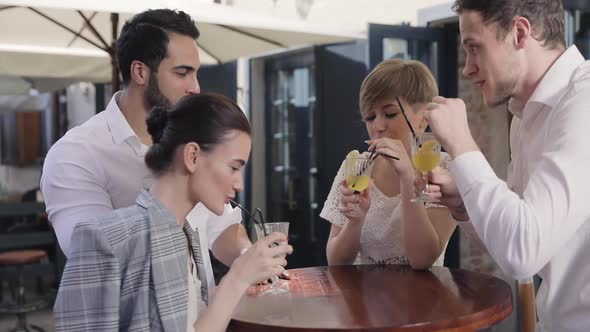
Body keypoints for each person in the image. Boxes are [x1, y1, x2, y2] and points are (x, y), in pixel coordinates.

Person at [40, 9, 252, 292]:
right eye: (182, 73)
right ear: (140, 71)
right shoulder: (75, 155)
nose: (196, 87)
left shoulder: (193, 143)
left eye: (196, 73)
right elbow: (93, 259)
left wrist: (249, 257)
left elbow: (221, 229)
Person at [53, 93, 293, 331]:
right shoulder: (102, 238)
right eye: (233, 167)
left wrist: (238, 281)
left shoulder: (189, 236)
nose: (239, 184)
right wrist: (236, 280)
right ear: (192, 156)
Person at [421, 0, 590, 330]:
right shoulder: (525, 116)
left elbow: (522, 251)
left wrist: (461, 143)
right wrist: (464, 206)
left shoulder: (583, 103)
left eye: (475, 48)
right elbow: (513, 243)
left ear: (520, 32)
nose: (467, 68)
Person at [320, 59, 456, 269]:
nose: (378, 126)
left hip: (423, 299)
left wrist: (408, 176)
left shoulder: (442, 169)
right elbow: (336, 263)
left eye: (390, 113)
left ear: (424, 118)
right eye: (370, 116)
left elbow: (421, 260)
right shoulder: (357, 165)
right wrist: (355, 221)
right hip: (362, 299)